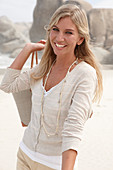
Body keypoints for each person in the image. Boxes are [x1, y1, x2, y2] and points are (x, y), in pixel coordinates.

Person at [0, 4, 103, 170]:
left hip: (52, 164)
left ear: (80, 39)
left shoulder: (85, 74)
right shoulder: (43, 68)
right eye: (55, 29)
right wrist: (27, 49)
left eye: (68, 32)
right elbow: (7, 84)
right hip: (24, 155)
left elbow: (73, 128)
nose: (59, 38)